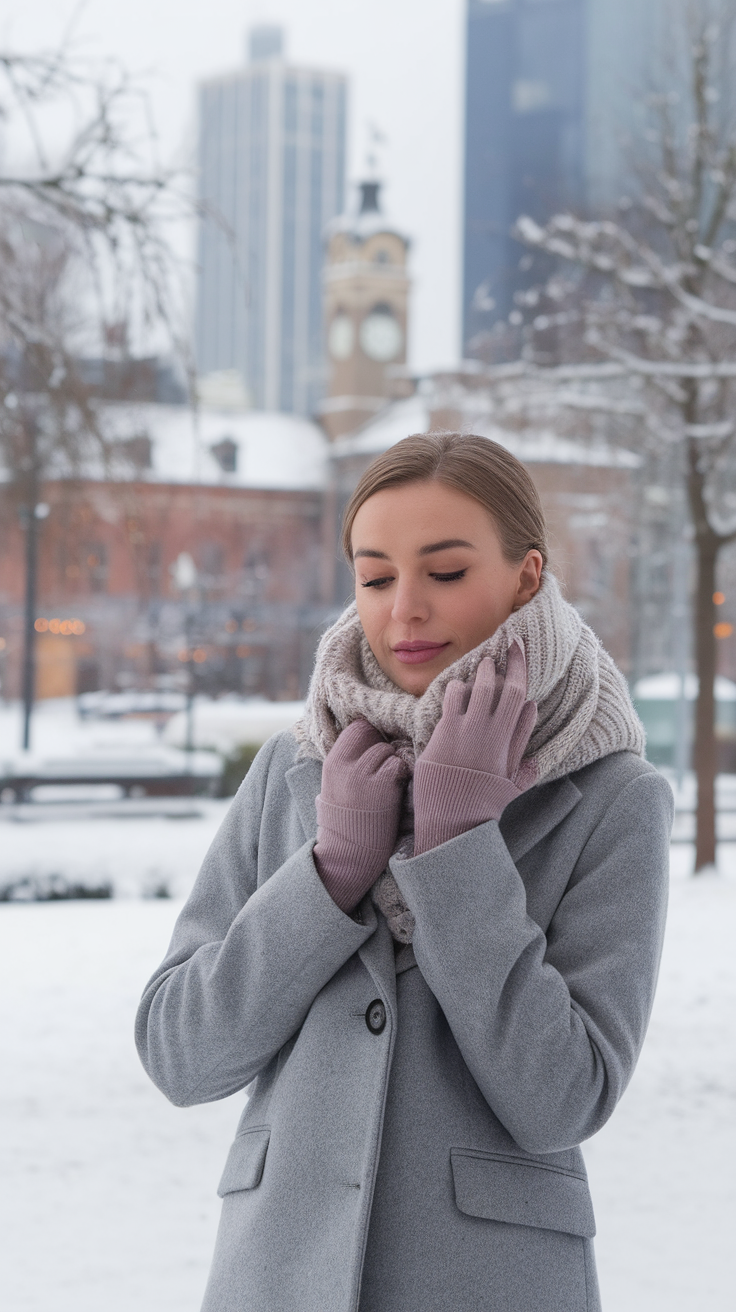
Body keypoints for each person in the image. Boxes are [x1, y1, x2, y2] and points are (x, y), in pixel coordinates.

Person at [136, 432, 672, 1312]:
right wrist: (327, 873)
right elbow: (179, 1053)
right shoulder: (295, 768)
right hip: (277, 1276)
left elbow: (562, 1098)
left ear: (526, 577)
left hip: (490, 1284)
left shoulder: (614, 797)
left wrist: (460, 847)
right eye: (377, 577)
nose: (405, 610)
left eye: (446, 573)